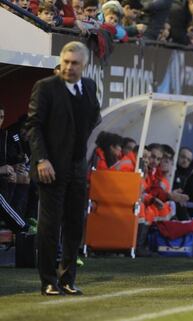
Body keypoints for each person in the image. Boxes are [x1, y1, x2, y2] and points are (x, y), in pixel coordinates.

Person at [26, 41, 101, 295]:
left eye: (75, 63)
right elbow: (33, 126)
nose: (69, 67)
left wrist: (78, 147)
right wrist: (41, 159)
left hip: (78, 167)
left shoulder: (89, 87)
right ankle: (48, 280)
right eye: (66, 62)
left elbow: (94, 117)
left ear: (85, 65)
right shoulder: (45, 87)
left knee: (74, 225)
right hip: (50, 167)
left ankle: (68, 279)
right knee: (49, 225)